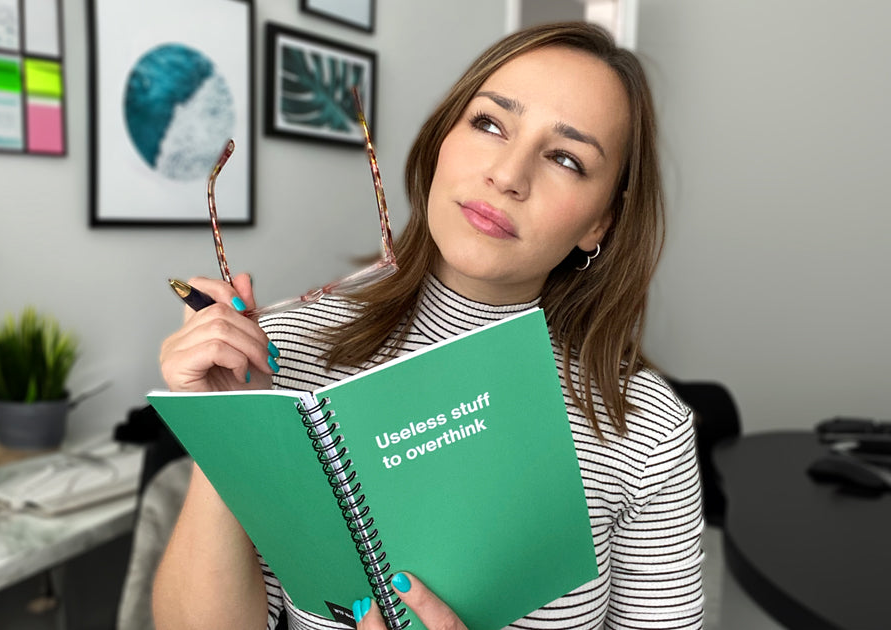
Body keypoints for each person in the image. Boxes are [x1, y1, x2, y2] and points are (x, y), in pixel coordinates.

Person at [154, 21, 705, 630]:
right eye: (490, 123)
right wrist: (228, 430)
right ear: (443, 139)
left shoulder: (647, 429)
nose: (507, 175)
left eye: (567, 159)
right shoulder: (283, 353)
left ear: (599, 223)